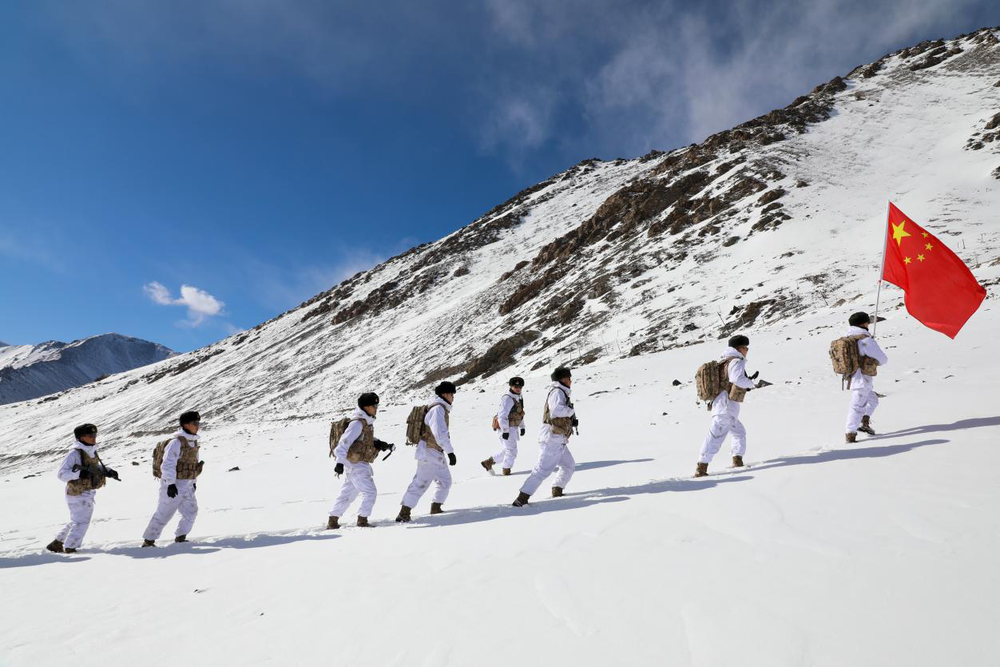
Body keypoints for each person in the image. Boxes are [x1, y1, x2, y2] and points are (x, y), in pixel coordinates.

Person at [46, 424, 119, 553]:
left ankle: (57, 543)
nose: (93, 437)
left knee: (77, 520)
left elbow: (92, 468)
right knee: (82, 522)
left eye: (94, 435)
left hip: (86, 491)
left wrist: (108, 471)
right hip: (77, 493)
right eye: (90, 435)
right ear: (80, 437)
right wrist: (78, 474)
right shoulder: (74, 453)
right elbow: (61, 474)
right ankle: (70, 547)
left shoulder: (91, 451)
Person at [695, 335, 760, 477]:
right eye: (746, 348)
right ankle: (701, 467)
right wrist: (752, 384)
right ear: (739, 348)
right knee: (715, 437)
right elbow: (736, 378)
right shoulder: (736, 361)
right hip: (725, 408)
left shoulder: (725, 361)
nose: (747, 351)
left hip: (725, 407)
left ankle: (737, 460)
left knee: (739, 433)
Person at [327, 392, 394, 528]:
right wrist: (339, 463)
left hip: (356, 463)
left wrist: (380, 444)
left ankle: (333, 519)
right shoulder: (357, 423)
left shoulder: (365, 422)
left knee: (347, 494)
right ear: (365, 407)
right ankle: (362, 520)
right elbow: (343, 443)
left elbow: (364, 439)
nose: (376, 408)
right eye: (374, 406)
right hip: (356, 464)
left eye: (376, 405)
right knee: (370, 492)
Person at [512, 367, 577, 507]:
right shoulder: (557, 392)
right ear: (562, 380)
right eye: (568, 378)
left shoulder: (561, 392)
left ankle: (557, 489)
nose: (570, 381)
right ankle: (521, 498)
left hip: (559, 439)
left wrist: (572, 419)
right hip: (552, 439)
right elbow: (556, 410)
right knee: (542, 470)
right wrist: (570, 411)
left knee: (569, 465)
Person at [396, 381, 458, 523]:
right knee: (421, 482)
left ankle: (436, 507)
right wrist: (450, 452)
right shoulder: (438, 409)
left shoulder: (440, 408)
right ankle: (404, 512)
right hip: (429, 452)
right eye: (451, 394)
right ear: (444, 394)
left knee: (445, 481)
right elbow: (440, 433)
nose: (453, 397)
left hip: (435, 452)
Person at [142, 411, 204, 547]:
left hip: (188, 485)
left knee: (191, 512)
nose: (197, 425)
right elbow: (168, 464)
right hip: (174, 484)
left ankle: (181, 537)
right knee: (164, 514)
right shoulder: (176, 442)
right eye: (194, 423)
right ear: (185, 425)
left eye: (198, 423)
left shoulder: (193, 442)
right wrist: (170, 484)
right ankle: (148, 541)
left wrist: (193, 482)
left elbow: (193, 465)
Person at [843, 312, 889, 442]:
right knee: (857, 406)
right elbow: (883, 359)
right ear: (863, 323)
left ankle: (864, 423)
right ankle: (850, 434)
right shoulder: (865, 340)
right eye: (868, 322)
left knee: (873, 400)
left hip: (852, 376)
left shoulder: (848, 338)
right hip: (862, 379)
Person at [481, 376, 526, 475]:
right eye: (516, 386)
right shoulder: (507, 399)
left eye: (520, 386)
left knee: (508, 450)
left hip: (512, 428)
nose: (518, 388)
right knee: (512, 451)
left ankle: (489, 462)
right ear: (511, 386)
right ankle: (506, 470)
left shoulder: (518, 398)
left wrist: (522, 427)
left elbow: (520, 414)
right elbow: (502, 416)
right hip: (506, 429)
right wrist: (505, 431)